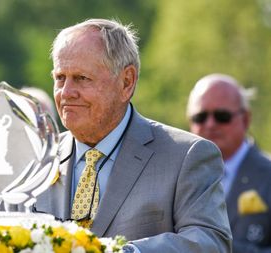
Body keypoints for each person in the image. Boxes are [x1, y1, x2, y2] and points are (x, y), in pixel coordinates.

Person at [33, 19, 232, 252]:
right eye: (60, 78)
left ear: (127, 82)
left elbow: (210, 242)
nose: (66, 92)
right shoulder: (36, 160)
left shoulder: (187, 156)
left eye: (81, 78)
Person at [187, 73, 271, 252]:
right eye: (200, 117)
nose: (210, 124)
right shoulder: (177, 175)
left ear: (246, 119)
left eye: (222, 116)